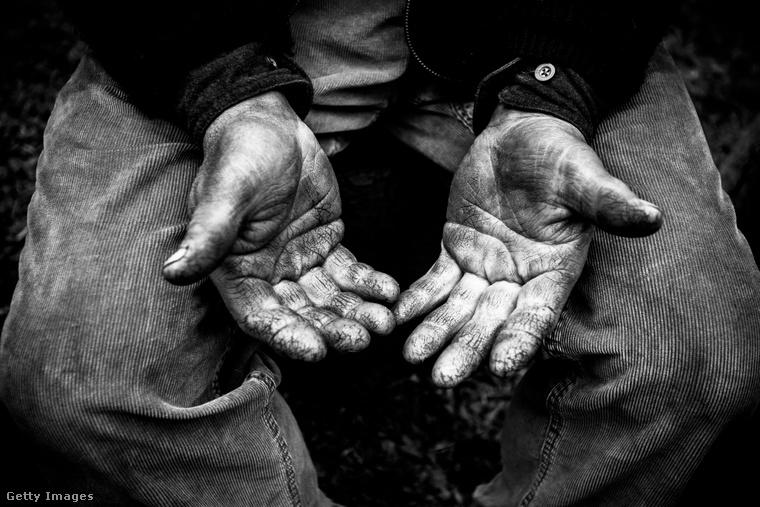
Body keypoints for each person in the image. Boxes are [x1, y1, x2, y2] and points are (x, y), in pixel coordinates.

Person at [2, 0, 759, 505]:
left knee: (700, 355)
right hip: (217, 21)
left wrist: (554, 89)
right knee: (81, 373)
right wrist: (225, 86)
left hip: (541, 24)